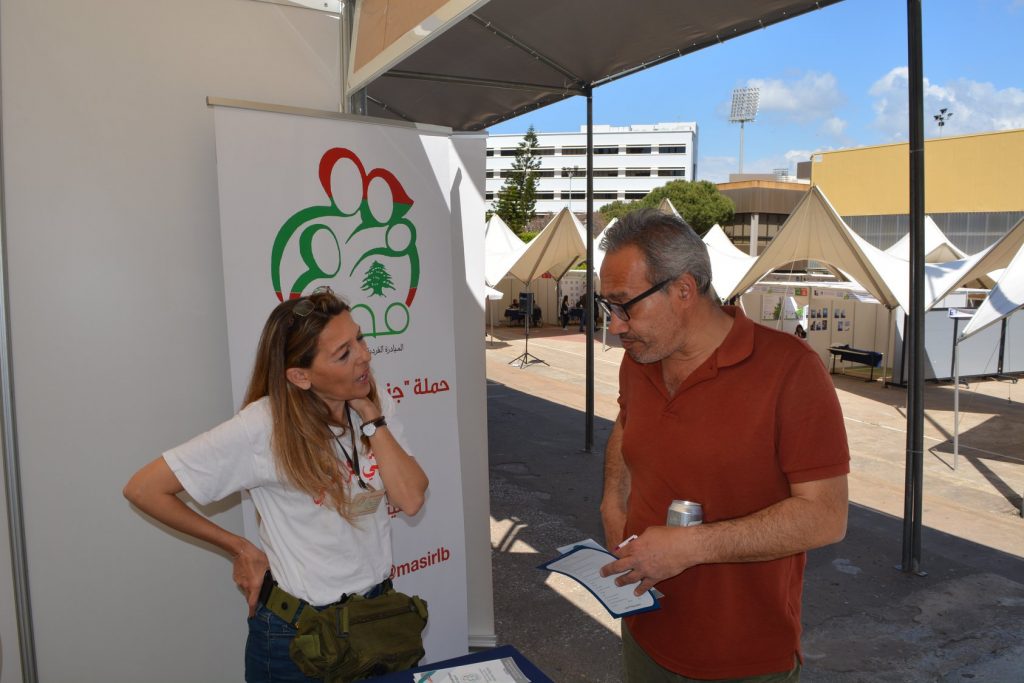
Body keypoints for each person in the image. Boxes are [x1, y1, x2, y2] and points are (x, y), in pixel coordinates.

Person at [124, 288, 428, 682]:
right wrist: (239, 548)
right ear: (301, 376)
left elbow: (411, 498)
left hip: (374, 619)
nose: (364, 356)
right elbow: (144, 489)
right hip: (299, 636)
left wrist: (371, 415)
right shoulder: (264, 426)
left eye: (360, 338)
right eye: (343, 353)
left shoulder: (373, 402)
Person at [596, 209, 849, 681]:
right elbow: (627, 424)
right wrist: (613, 503)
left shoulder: (790, 369)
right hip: (644, 629)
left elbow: (826, 516)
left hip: (743, 657)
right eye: (607, 307)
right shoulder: (640, 360)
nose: (615, 326)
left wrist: (690, 547)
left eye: (625, 306)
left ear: (683, 290)